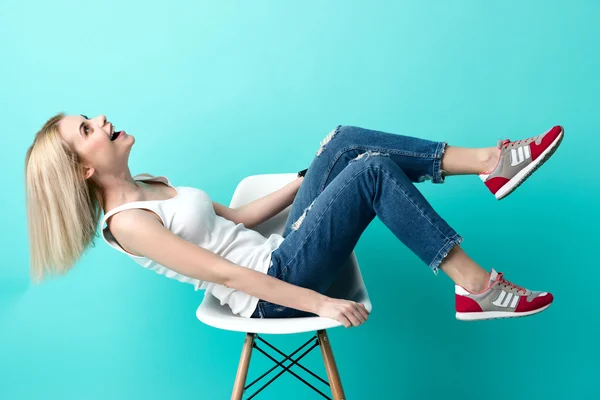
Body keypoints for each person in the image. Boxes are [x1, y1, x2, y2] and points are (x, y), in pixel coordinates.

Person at [24, 113, 563, 328]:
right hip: (277, 289)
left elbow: (237, 219)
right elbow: (228, 275)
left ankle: (494, 163)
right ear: (86, 167)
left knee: (346, 140)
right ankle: (474, 286)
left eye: (90, 117)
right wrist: (322, 302)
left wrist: (312, 176)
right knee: (371, 170)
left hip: (282, 253)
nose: (102, 120)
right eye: (88, 129)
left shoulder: (152, 184)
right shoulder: (128, 223)